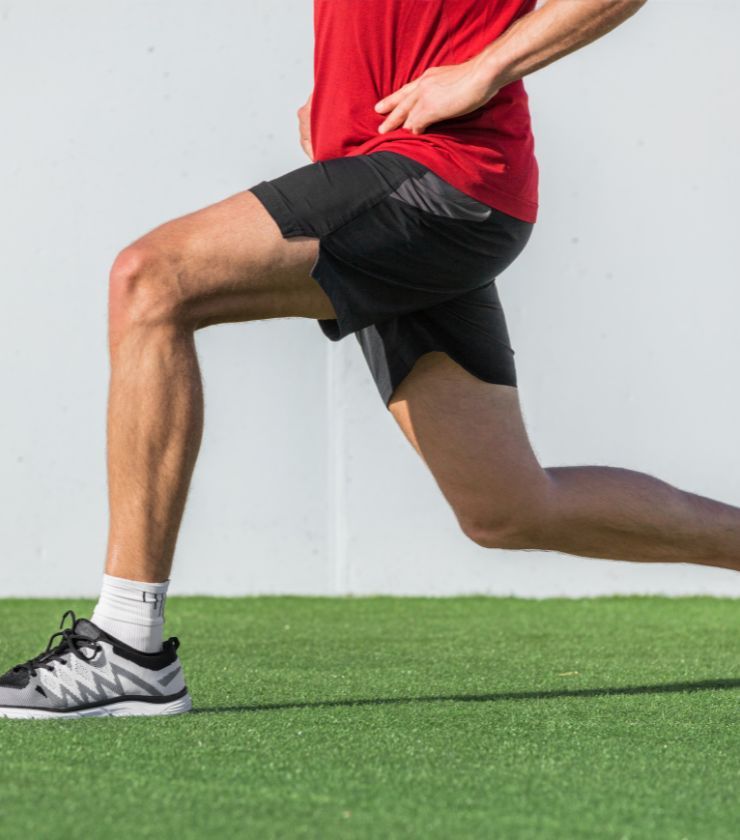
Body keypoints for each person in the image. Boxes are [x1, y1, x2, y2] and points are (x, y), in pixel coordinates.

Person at [1, 0, 736, 719]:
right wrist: (334, 103)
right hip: (394, 175)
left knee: (151, 280)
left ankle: (131, 647)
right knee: (506, 508)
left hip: (444, 178)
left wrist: (485, 69)